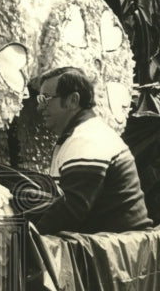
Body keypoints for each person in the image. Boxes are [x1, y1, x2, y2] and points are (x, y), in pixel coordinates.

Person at [32, 66, 152, 234]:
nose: (39, 108)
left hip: (120, 249)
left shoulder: (87, 138)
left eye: (46, 99)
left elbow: (70, 210)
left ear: (73, 100)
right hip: (113, 245)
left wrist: (28, 239)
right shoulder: (82, 133)